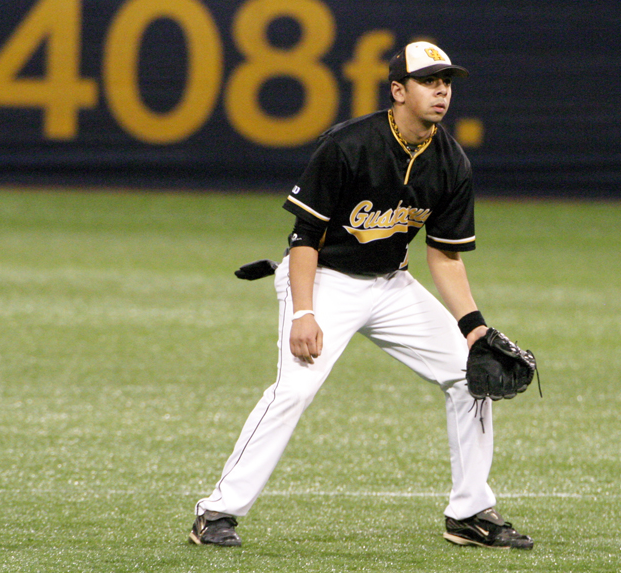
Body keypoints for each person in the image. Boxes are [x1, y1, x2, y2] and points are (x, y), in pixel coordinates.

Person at [189, 41, 534, 550]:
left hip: (392, 284)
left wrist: (473, 326)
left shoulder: (450, 161)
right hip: (324, 280)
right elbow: (304, 239)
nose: (441, 91)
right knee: (294, 390)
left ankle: (469, 512)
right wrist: (303, 312)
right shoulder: (350, 145)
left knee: (470, 374)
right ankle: (215, 512)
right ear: (398, 90)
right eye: (429, 81)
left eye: (447, 83)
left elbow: (444, 255)